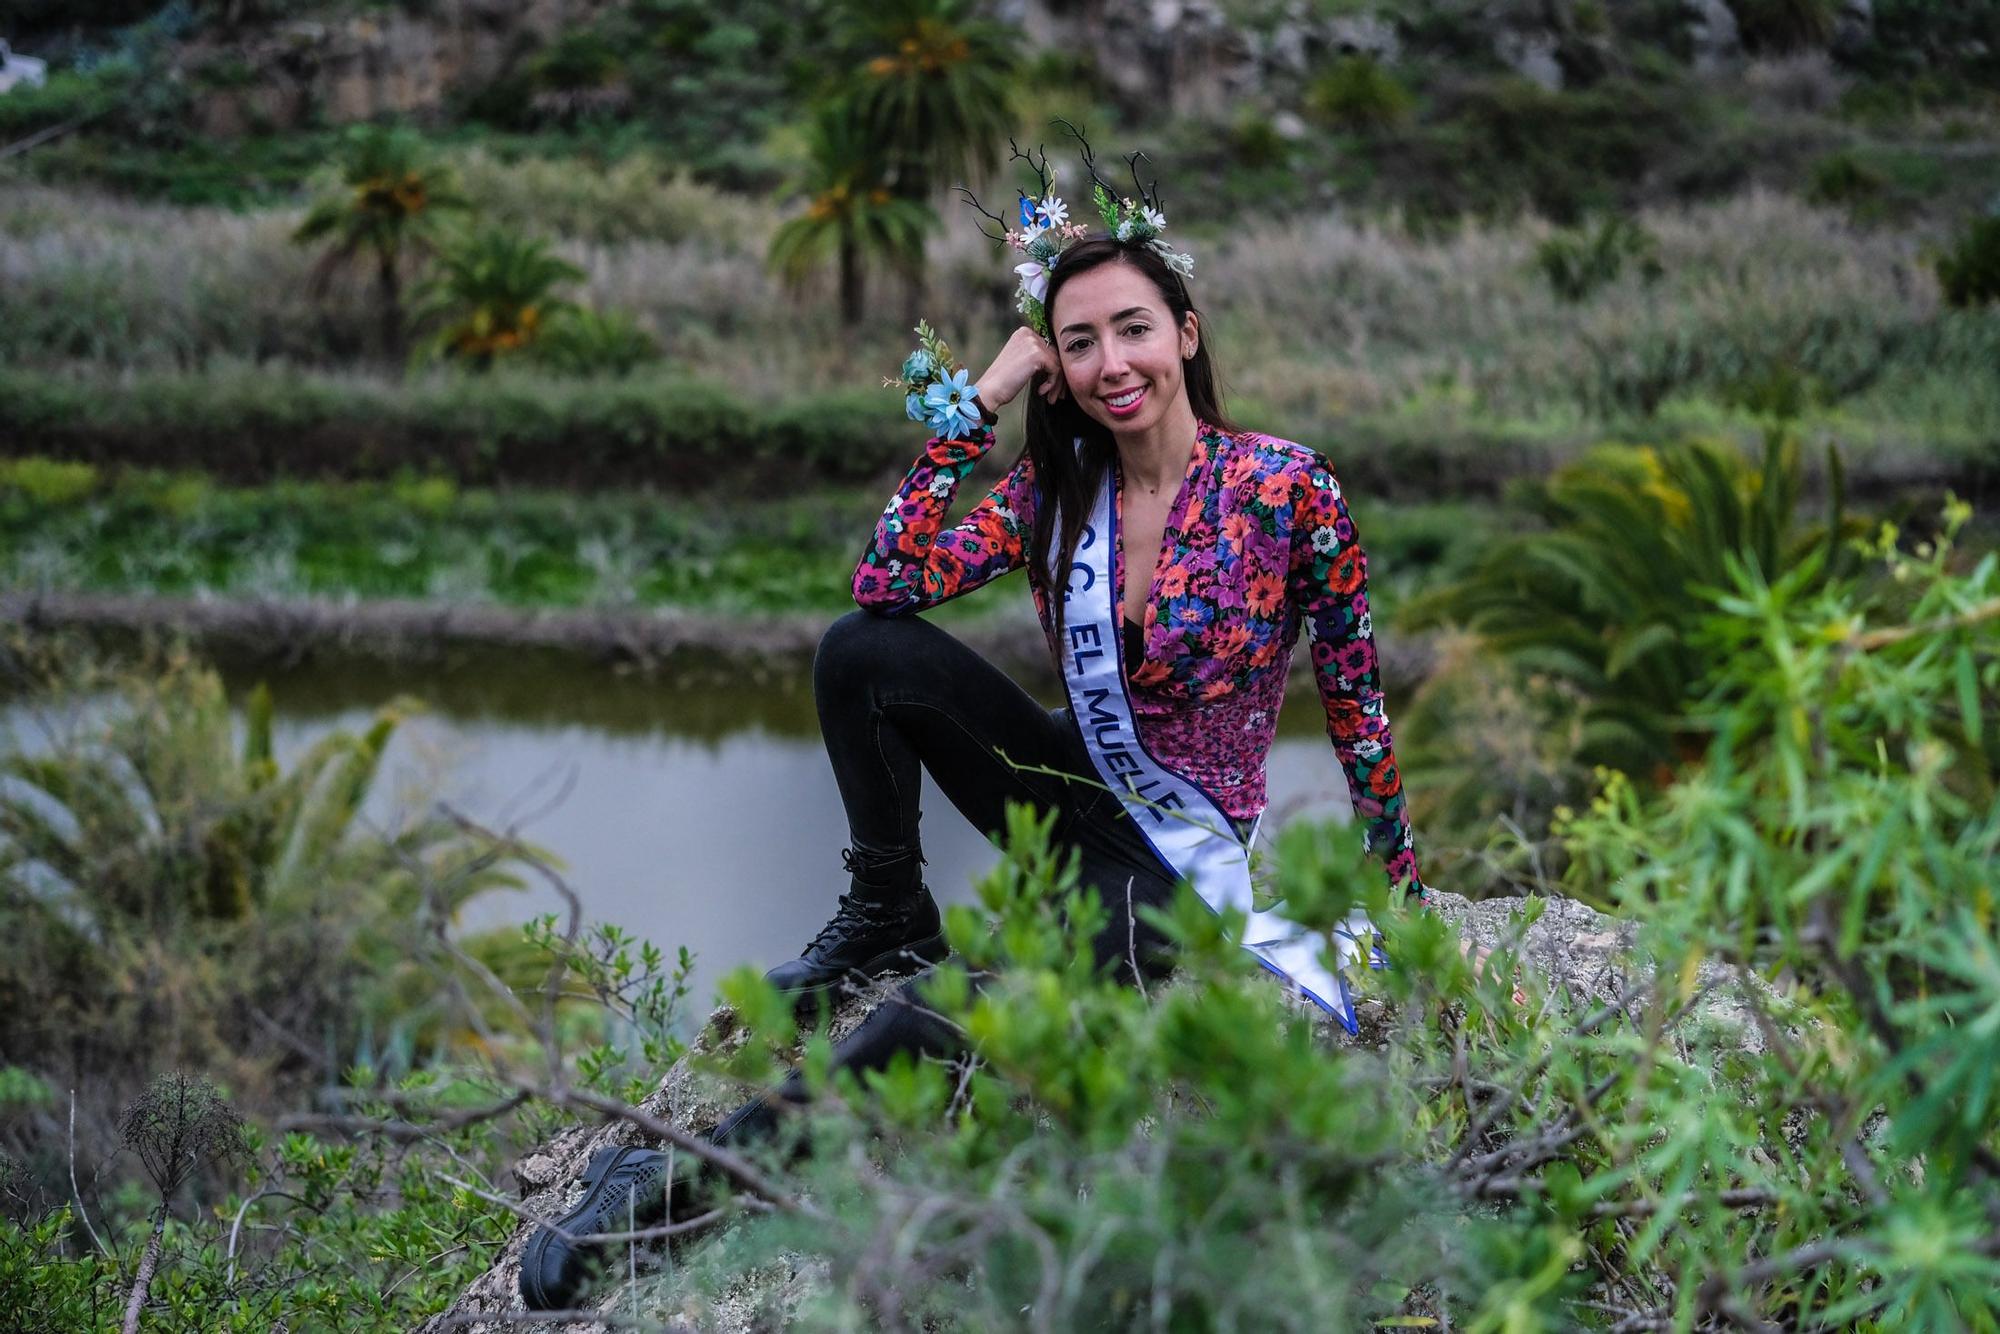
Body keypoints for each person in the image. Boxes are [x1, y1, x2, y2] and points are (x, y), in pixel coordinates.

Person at [520, 184, 1428, 1312]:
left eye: (1133, 329)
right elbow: (885, 583)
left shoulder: (1288, 490)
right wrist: (978, 405)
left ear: (1184, 334)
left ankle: (680, 1186)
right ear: (1053, 362)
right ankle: (888, 906)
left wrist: (1399, 887)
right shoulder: (1059, 486)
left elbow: (1355, 702)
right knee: (861, 650)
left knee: (944, 1015)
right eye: (1078, 341)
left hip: (1168, 852)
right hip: (1061, 778)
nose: (1111, 363)